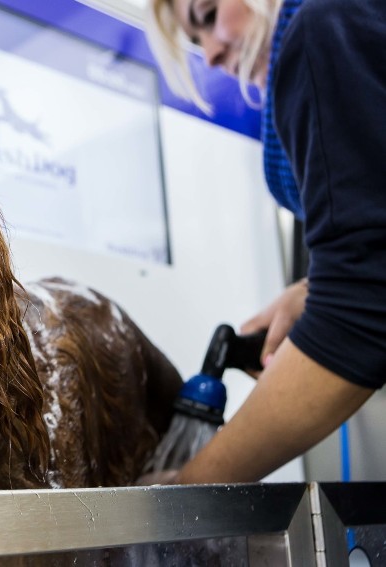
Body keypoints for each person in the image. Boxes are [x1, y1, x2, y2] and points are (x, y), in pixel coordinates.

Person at [142, 0, 386, 483]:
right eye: (196, 40)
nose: (209, 55)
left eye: (209, 15)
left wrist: (190, 491)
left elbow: (358, 319)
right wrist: (312, 291)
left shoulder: (322, 26)